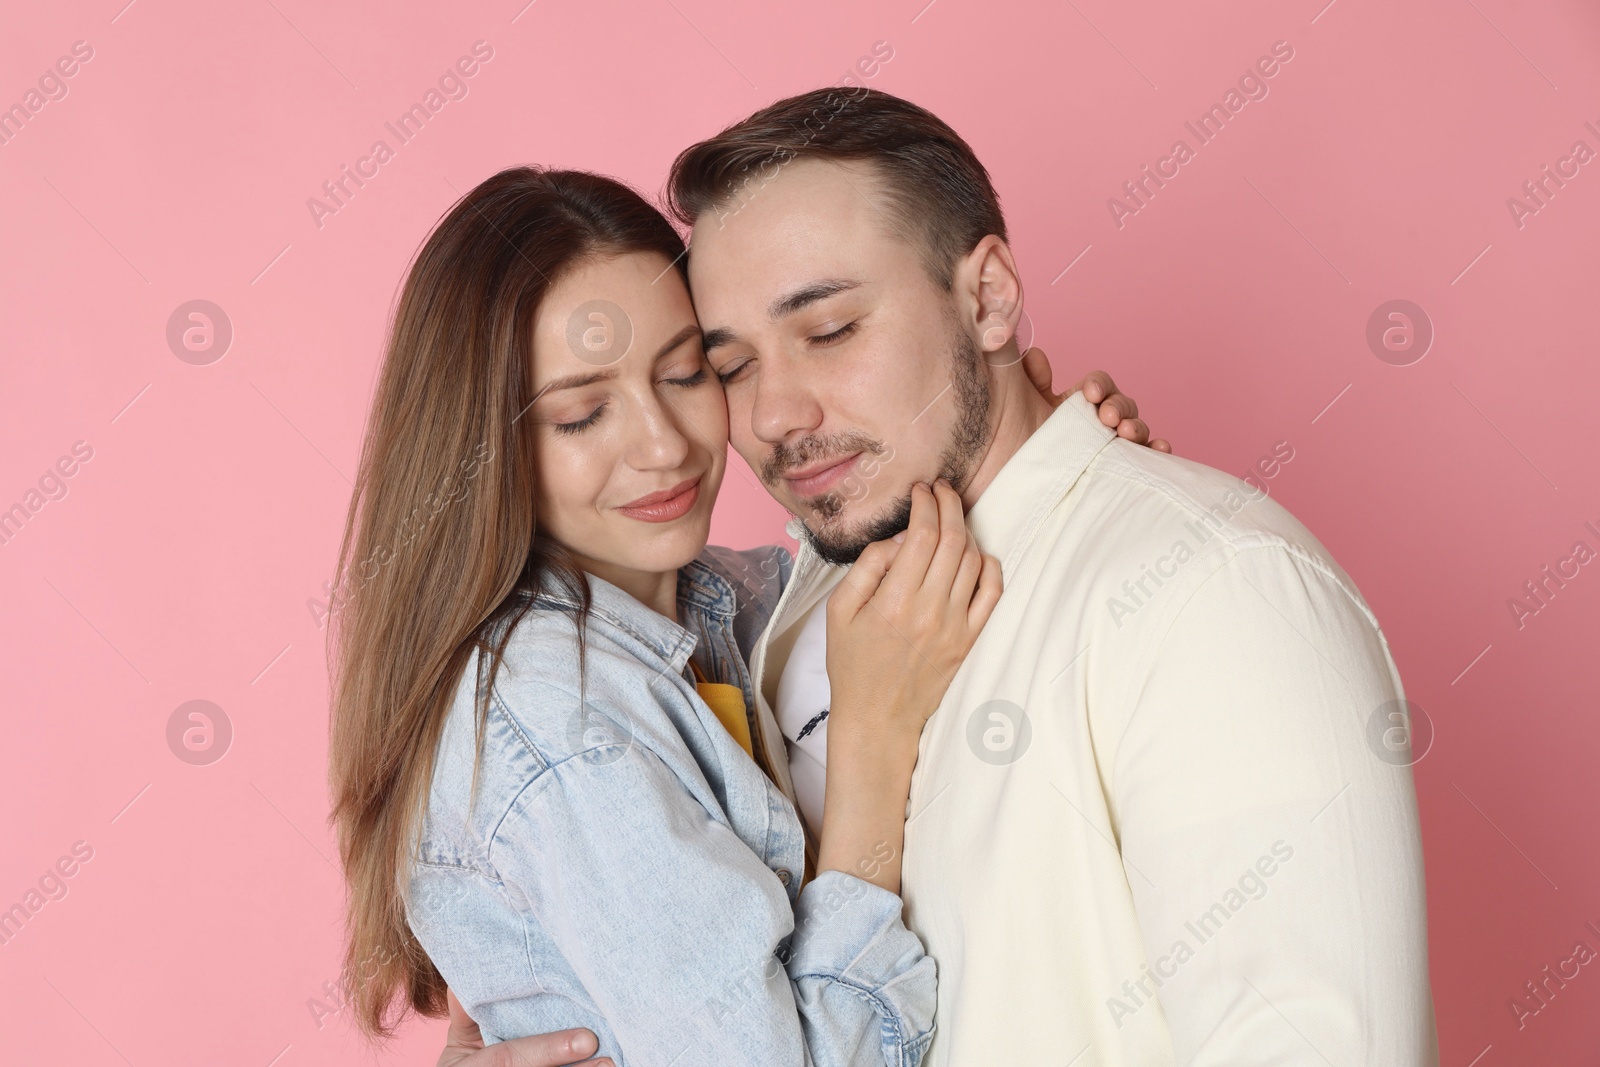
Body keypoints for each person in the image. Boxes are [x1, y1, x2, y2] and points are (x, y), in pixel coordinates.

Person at [464, 87, 1436, 1065]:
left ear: (988, 299)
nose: (773, 416)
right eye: (730, 365)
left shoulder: (1210, 595)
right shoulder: (757, 621)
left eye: (831, 329)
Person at [326, 167, 1159, 1066]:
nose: (664, 444)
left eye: (690, 372)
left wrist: (1039, 456)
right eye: (581, 414)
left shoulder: (720, 603)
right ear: (481, 449)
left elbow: (878, 572)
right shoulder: (564, 725)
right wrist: (873, 756)